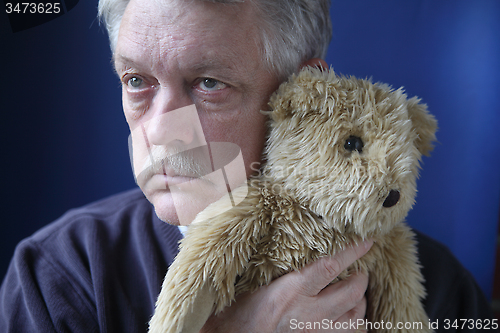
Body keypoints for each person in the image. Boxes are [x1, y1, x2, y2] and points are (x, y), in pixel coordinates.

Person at [0, 0, 493, 332]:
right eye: (136, 81)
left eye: (209, 83)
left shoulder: (437, 286)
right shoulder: (62, 273)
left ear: (306, 91)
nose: (161, 131)